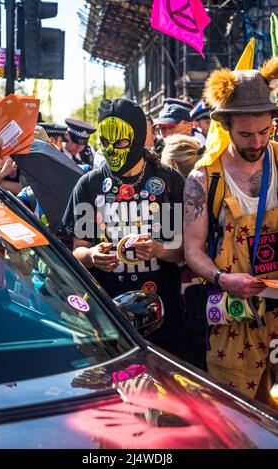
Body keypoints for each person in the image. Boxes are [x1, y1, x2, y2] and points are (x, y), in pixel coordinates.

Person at [183, 58, 278, 409]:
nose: (257, 141)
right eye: (245, 134)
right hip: (234, 313)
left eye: (264, 131)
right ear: (224, 124)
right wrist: (224, 279)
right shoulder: (204, 179)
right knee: (239, 414)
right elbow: (192, 250)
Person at [62, 98, 187, 358]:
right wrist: (93, 255)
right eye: (105, 143)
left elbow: (184, 251)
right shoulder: (89, 186)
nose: (112, 151)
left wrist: (158, 249)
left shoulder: (168, 181)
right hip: (109, 319)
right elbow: (78, 251)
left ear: (139, 137)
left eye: (119, 143)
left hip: (165, 318)